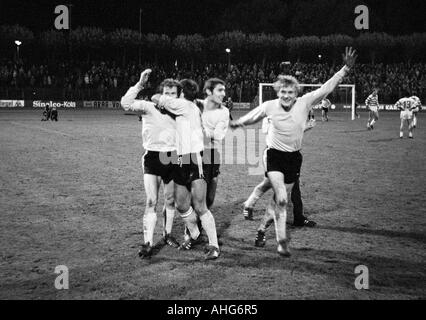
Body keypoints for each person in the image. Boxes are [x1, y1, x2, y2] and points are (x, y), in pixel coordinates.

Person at [230, 47, 357, 257]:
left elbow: (326, 88)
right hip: (274, 156)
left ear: (296, 93)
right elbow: (253, 116)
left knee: (280, 200)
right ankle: (277, 239)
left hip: (294, 158)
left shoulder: (305, 102)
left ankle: (262, 229)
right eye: (283, 92)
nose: (286, 96)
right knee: (281, 197)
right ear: (278, 92)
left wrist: (344, 70)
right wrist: (237, 123)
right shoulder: (270, 106)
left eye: (290, 92)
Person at [155, 79, 220, 260]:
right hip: (179, 159)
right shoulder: (190, 107)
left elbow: (155, 97)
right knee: (182, 204)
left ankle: (213, 245)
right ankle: (195, 234)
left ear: (182, 93)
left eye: (174, 93)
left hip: (195, 158)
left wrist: (160, 99)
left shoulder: (185, 105)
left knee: (200, 205)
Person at [120, 70, 181, 258]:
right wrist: (139, 84)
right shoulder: (148, 107)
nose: (170, 97)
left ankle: (167, 234)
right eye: (167, 93)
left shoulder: (181, 111)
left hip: (173, 157)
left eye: (173, 94)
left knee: (170, 200)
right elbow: (125, 104)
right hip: (153, 158)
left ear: (178, 96)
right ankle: (147, 243)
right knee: (151, 201)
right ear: (161, 94)